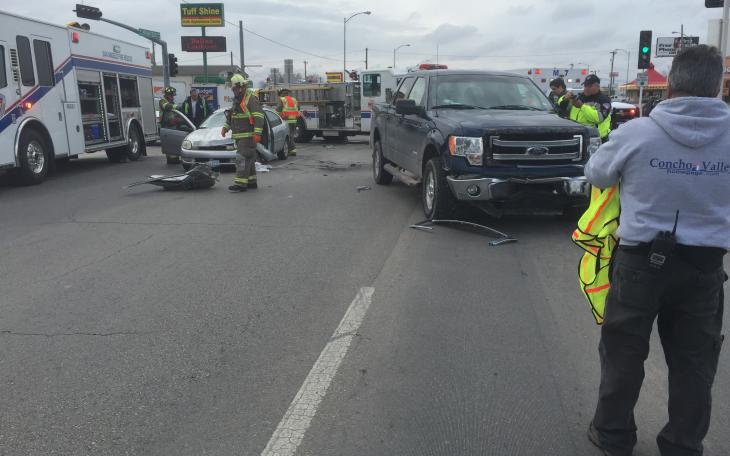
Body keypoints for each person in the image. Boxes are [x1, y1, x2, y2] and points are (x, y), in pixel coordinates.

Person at [583, 45, 729, 456]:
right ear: (717, 87)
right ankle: (683, 444)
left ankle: (612, 435)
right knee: (695, 363)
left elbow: (597, 173)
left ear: (670, 86)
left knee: (623, 352)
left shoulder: (637, 133)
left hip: (640, 264)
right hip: (704, 267)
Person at [221, 74, 265, 193]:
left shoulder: (250, 99)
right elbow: (232, 116)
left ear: (241, 87)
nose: (233, 91)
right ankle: (251, 181)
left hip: (247, 136)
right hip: (241, 136)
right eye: (233, 89)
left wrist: (257, 133)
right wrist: (225, 127)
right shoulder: (238, 100)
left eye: (234, 89)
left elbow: (259, 116)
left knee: (241, 158)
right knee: (248, 158)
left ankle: (240, 184)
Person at [565, 74, 613, 142]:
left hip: (597, 139)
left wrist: (582, 106)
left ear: (597, 86)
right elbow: (564, 110)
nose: (586, 88)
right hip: (578, 136)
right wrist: (566, 99)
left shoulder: (604, 100)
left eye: (589, 86)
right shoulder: (580, 97)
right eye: (585, 85)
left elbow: (599, 118)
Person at [276, 88, 300, 157]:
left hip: (286, 120)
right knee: (291, 135)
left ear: (282, 94)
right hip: (294, 120)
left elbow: (279, 108)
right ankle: (292, 150)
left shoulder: (282, 99)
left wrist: (276, 113)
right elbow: (298, 108)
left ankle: (292, 150)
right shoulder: (293, 99)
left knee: (287, 136)